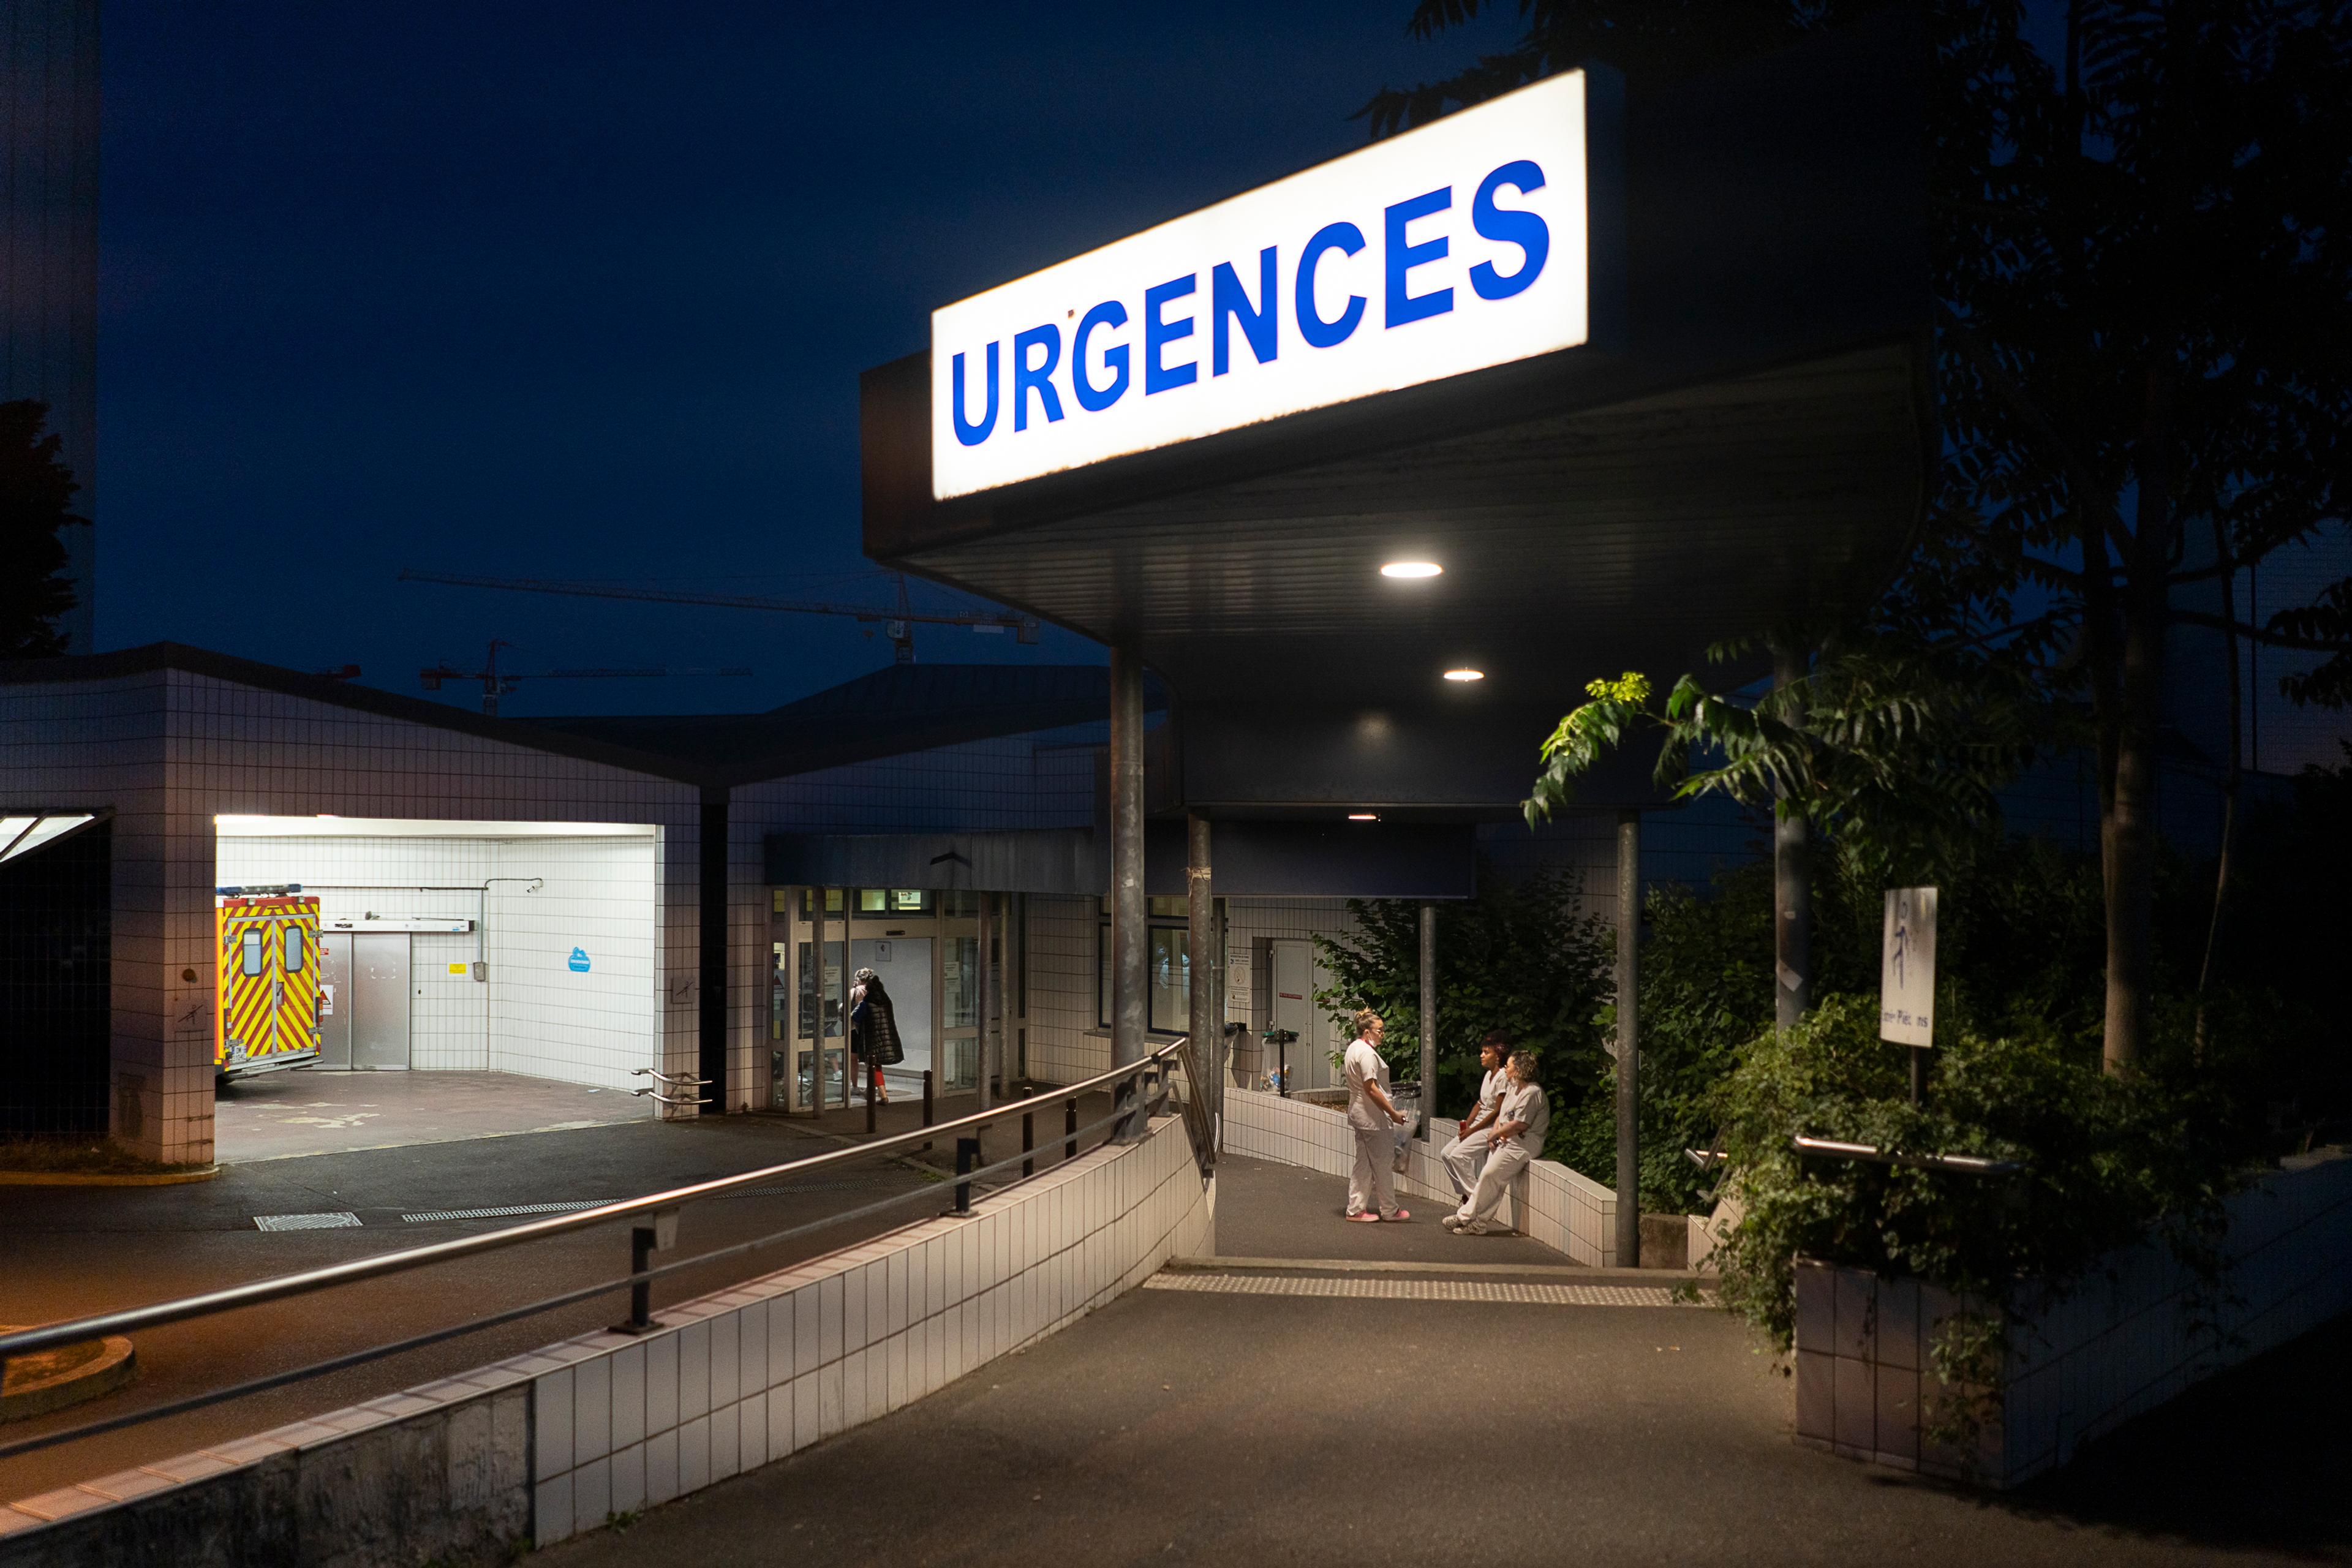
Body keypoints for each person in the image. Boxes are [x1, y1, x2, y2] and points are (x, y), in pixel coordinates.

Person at [1444, 1050, 1548, 1235]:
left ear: (1519, 1069)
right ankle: (1479, 1223)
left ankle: (1464, 1217)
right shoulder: (1514, 1087)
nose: (1506, 1069)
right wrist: (1495, 1133)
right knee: (1492, 1180)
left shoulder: (1532, 1092)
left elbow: (1521, 1124)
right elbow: (1502, 1114)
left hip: (1523, 1144)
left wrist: (1496, 1134)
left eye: (1509, 1066)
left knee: (1489, 1176)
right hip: (1508, 1141)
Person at [1343, 1008, 1410, 1223]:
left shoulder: (1353, 1048)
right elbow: (1371, 1088)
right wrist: (1393, 1113)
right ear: (1367, 1032)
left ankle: (1355, 1209)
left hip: (1358, 1112)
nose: (1383, 1034)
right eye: (1379, 1030)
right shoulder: (1367, 1054)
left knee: (1363, 1163)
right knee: (1382, 1163)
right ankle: (1390, 1210)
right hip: (1372, 1117)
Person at [1440, 1031, 1514, 1202]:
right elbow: (1481, 1103)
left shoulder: (1503, 1076)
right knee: (1446, 1153)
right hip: (1478, 1123)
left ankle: (1476, 1199)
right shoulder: (1488, 1074)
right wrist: (1467, 1124)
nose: (1481, 1056)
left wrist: (1473, 1130)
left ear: (1498, 1056)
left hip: (1490, 1126)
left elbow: (1497, 1110)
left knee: (1459, 1156)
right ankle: (1466, 1194)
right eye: (1482, 1052)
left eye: (1486, 1053)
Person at [847, 967, 904, 1105]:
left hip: (871, 1038)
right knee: (876, 1066)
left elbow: (855, 1017)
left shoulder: (867, 1003)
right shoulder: (887, 1001)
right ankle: (877, 1093)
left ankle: (880, 1095)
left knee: (873, 1065)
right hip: (887, 1038)